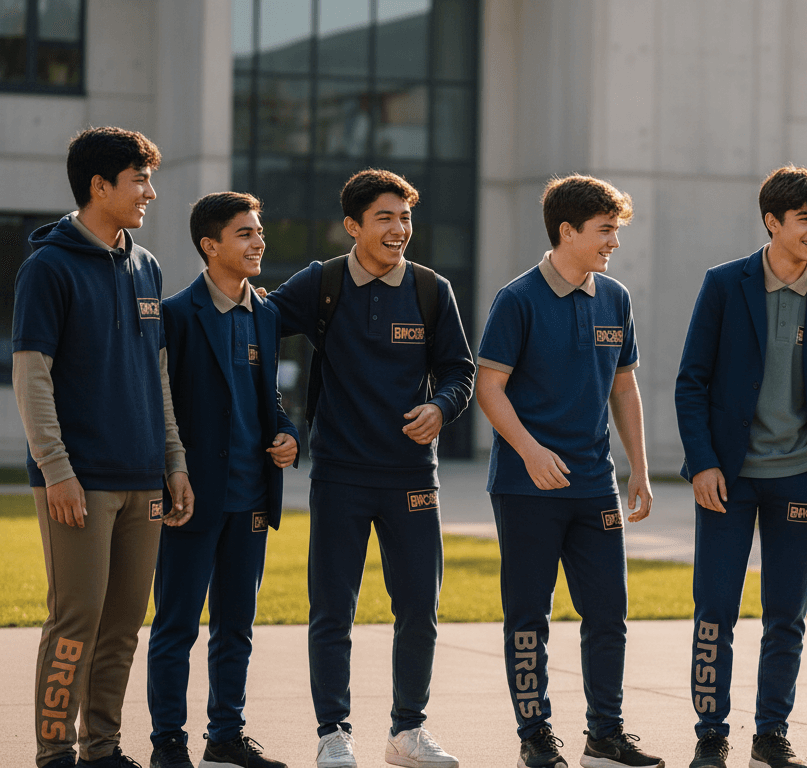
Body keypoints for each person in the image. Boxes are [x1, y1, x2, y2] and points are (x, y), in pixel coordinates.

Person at [266, 169, 476, 768]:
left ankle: (407, 732)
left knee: (418, 609)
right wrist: (275, 417)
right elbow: (252, 330)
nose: (399, 229)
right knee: (332, 608)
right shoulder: (322, 283)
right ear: (353, 226)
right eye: (385, 217)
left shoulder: (433, 290)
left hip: (412, 477)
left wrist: (441, 407)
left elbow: (460, 370)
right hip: (339, 475)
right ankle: (333, 734)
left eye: (405, 217)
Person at [13, 126, 193, 768]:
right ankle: (55, 748)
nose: (150, 192)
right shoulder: (48, 268)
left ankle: (103, 748)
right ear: (100, 185)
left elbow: (157, 375)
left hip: (143, 475)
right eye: (139, 179)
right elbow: (32, 376)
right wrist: (55, 469)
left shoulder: (146, 266)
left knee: (121, 627)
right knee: (76, 621)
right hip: (79, 480)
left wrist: (173, 460)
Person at [674, 166, 807, 768]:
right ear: (772, 221)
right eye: (805, 219)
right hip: (728, 479)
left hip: (801, 475)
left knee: (787, 614)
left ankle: (771, 733)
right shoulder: (725, 286)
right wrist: (702, 463)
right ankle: (710, 731)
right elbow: (691, 382)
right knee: (716, 610)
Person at [475, 175, 663, 768]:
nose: (614, 241)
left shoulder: (615, 298)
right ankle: (535, 735)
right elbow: (489, 387)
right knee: (529, 616)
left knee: (608, 612)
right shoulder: (518, 299)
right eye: (605, 230)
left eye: (616, 230)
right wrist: (530, 451)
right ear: (567, 230)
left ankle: (605, 735)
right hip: (526, 487)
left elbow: (624, 386)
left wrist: (639, 467)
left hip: (595, 484)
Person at [146, 192, 298, 768]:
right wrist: (171, 473)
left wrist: (287, 436)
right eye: (244, 233)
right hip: (191, 498)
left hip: (252, 497)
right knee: (176, 626)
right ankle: (168, 744)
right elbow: (161, 404)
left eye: (258, 231)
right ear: (210, 246)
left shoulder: (267, 313)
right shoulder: (177, 314)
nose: (259, 241)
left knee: (236, 627)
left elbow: (270, 402)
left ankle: (226, 738)